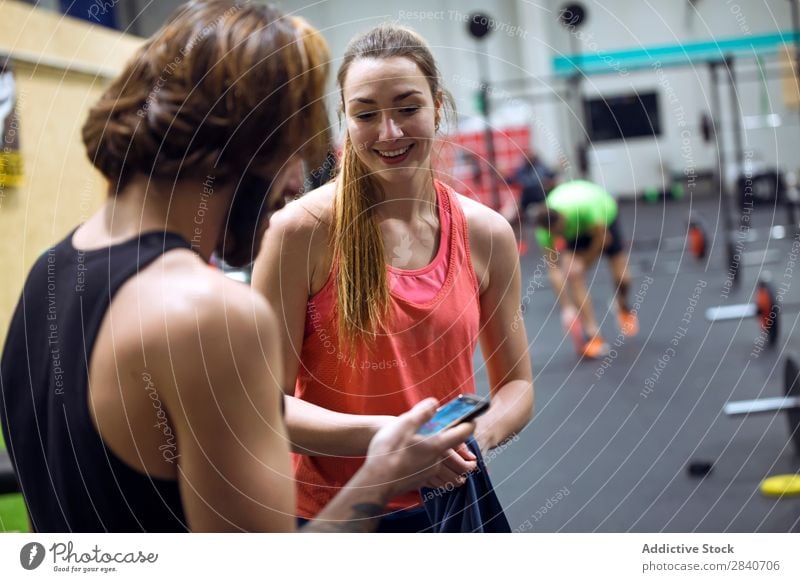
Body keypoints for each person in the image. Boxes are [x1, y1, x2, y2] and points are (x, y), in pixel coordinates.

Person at [0, 1, 474, 533]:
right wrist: (380, 474)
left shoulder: (45, 276)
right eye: (293, 152)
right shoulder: (210, 316)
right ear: (244, 146)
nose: (297, 183)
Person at [252, 24, 534, 532]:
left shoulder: (485, 233)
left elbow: (517, 385)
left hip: (451, 499)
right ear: (345, 119)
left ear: (438, 106)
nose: (389, 132)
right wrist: (394, 443)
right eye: (366, 114)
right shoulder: (300, 233)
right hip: (336, 514)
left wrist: (472, 440)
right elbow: (260, 405)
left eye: (407, 108)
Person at [533, 180, 639, 359]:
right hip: (575, 231)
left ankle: (621, 305)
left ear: (563, 219)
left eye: (560, 231)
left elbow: (603, 240)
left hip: (604, 217)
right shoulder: (546, 232)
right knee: (573, 273)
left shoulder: (585, 211)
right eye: (556, 235)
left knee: (624, 278)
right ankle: (592, 333)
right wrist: (566, 308)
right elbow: (554, 270)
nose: (558, 237)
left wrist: (586, 261)